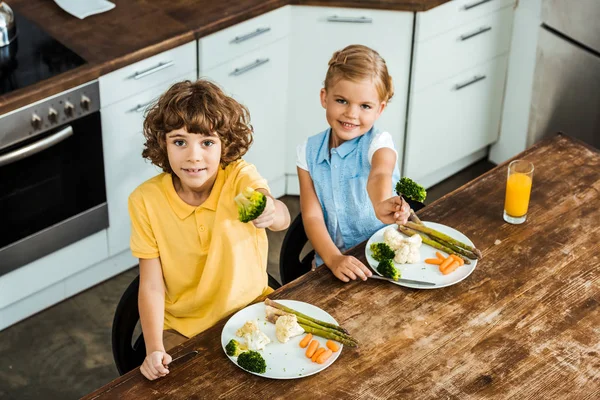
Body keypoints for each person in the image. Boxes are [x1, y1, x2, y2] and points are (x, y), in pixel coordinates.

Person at [128, 80, 291, 380]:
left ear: (224, 144)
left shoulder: (238, 176)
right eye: (179, 142)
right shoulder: (145, 201)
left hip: (252, 312)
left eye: (207, 142)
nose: (194, 156)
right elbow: (151, 285)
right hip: (184, 331)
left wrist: (270, 210)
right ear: (162, 143)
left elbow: (282, 218)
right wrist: (153, 347)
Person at [297, 44, 410, 283]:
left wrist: (381, 203)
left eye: (365, 106)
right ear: (324, 97)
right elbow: (312, 217)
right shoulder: (307, 152)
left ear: (379, 109)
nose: (352, 114)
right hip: (331, 262)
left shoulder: (379, 143)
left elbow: (380, 174)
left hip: (382, 263)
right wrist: (333, 258)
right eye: (342, 100)